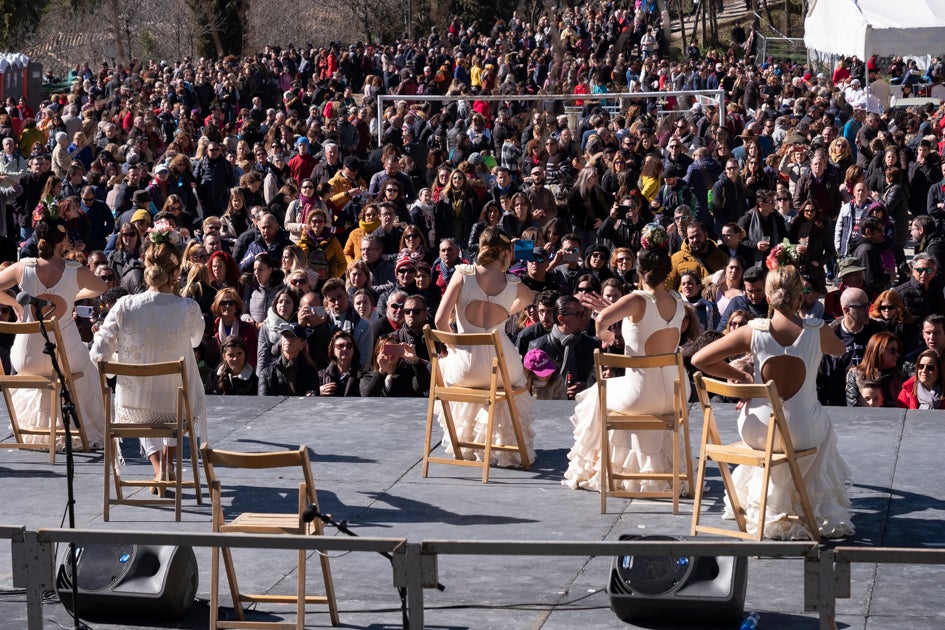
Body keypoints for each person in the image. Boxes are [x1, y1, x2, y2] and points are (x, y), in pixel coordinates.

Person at [693, 264, 854, 540]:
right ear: (800, 296)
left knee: (782, 435)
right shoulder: (818, 331)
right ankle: (807, 506)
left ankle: (768, 504)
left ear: (768, 298)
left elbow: (698, 359)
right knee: (823, 428)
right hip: (803, 431)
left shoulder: (752, 332)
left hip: (759, 431)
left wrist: (741, 376)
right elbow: (840, 350)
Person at [562, 224, 687, 493]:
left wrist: (607, 337)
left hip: (641, 393)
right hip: (677, 392)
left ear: (639, 272)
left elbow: (602, 322)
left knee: (595, 394)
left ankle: (597, 467)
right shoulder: (678, 300)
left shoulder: (637, 299)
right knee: (609, 391)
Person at [89, 231, 207, 485]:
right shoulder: (187, 308)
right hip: (176, 401)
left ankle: (159, 468)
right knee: (173, 394)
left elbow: (98, 353)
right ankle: (167, 464)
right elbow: (197, 340)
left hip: (135, 401)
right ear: (176, 274)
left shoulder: (125, 306)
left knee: (144, 396)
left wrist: (114, 366)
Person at [0, 215, 107, 448]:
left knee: (65, 364)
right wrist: (74, 296)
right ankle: (76, 428)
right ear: (63, 242)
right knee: (87, 365)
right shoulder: (74, 269)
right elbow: (102, 286)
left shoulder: (22, 267)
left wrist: (16, 304)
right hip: (64, 357)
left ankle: (39, 428)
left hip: (26, 358)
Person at [432, 227, 536, 467]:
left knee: (446, 365)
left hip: (467, 365)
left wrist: (456, 346)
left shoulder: (462, 275)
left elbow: (439, 321)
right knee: (510, 382)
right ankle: (504, 445)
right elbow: (529, 297)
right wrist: (505, 310)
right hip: (502, 366)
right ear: (506, 252)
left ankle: (467, 441)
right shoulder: (514, 282)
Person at [845, 332, 905, 408]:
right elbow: (853, 405)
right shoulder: (855, 374)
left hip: (893, 418)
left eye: (898, 351)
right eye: (892, 351)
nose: (897, 355)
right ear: (878, 350)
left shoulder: (899, 375)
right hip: (864, 418)